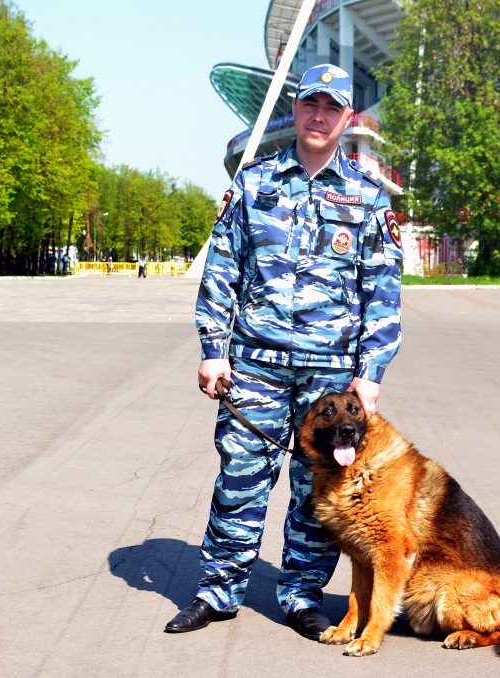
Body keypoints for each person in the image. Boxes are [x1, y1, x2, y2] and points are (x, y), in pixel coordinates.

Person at [165, 64, 403, 640]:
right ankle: (218, 591)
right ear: (295, 110)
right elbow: (221, 271)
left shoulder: (368, 198)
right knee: (240, 477)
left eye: (331, 108)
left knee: (319, 492)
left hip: (330, 383)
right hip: (255, 366)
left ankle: (300, 595)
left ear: (348, 118)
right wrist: (212, 350)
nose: (319, 117)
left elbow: (384, 296)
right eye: (309, 105)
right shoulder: (254, 185)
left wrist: (369, 376)